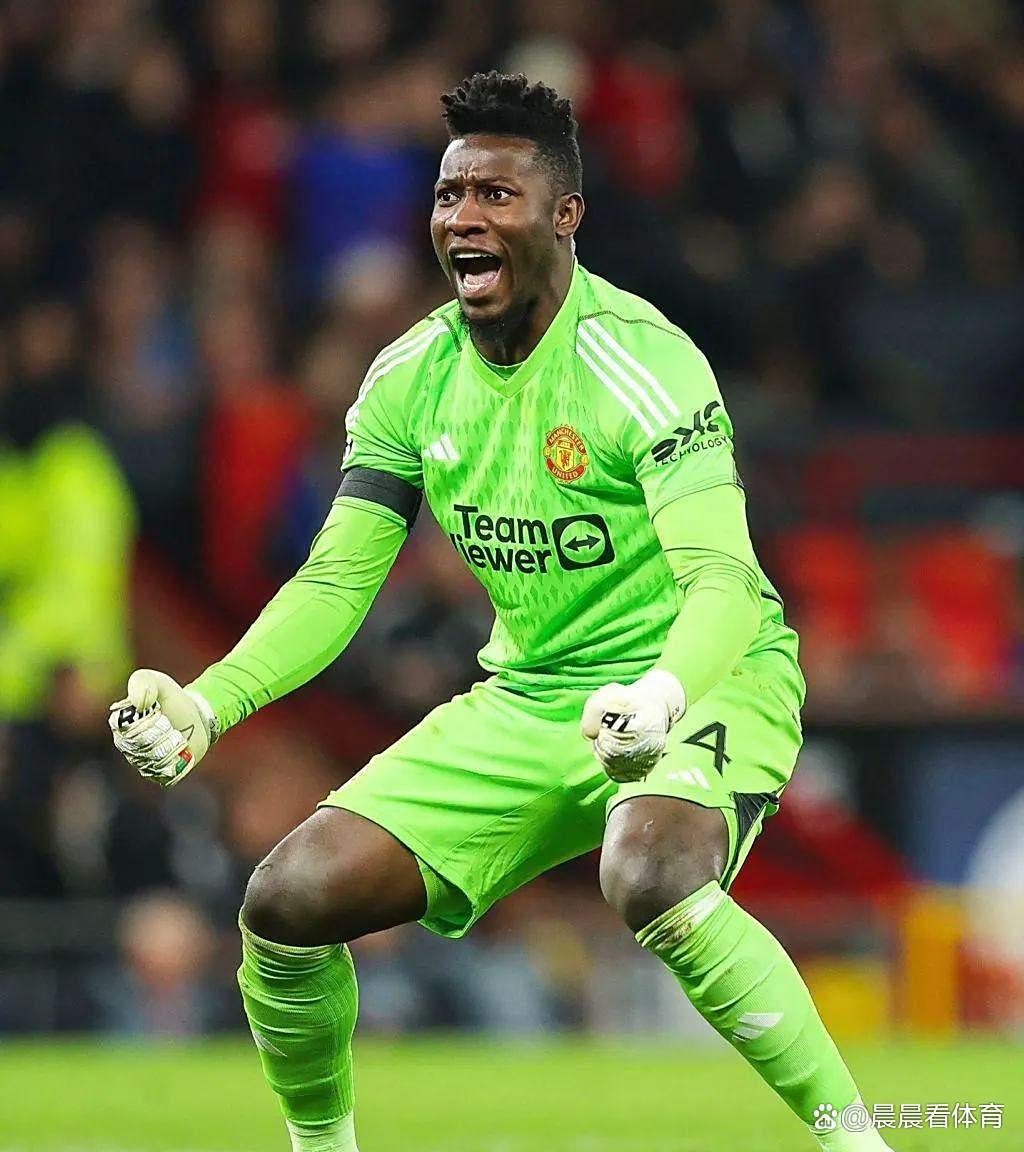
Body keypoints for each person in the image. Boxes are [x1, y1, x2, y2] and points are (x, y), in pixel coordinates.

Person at [110, 73, 893, 1152]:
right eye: (449, 195)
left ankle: (858, 1142)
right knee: (287, 902)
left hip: (706, 675)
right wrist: (207, 708)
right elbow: (337, 583)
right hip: (530, 698)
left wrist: (662, 696)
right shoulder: (409, 378)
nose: (464, 218)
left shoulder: (644, 362)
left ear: (565, 215)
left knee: (651, 874)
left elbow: (721, 578)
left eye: (495, 194)